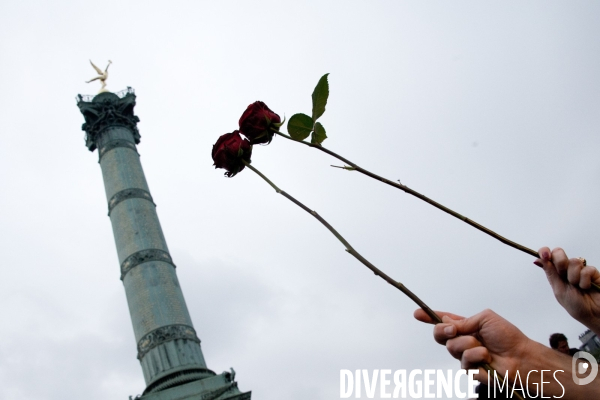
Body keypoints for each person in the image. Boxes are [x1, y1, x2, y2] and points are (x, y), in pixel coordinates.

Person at [414, 247, 600, 398]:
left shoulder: (580, 356)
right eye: (562, 347)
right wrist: (526, 360)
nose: (565, 349)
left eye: (565, 346)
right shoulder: (491, 390)